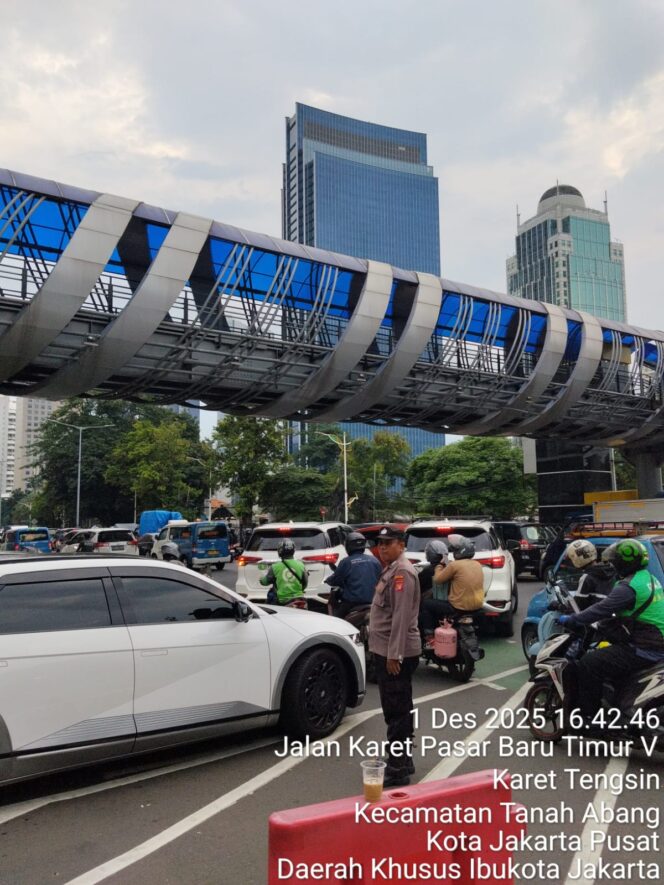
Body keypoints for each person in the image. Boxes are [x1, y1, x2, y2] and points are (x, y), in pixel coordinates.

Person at [558, 538, 664, 724]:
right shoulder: (650, 579)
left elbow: (600, 609)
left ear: (624, 563)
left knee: (589, 663)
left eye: (615, 561)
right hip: (654, 640)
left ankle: (589, 719)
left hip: (644, 647)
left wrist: (572, 619)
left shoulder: (628, 587)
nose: (613, 565)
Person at [369, 525, 421, 787]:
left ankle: (397, 768)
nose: (383, 547)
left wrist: (394, 654)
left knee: (396, 711)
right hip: (387, 648)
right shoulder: (391, 569)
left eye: (389, 543)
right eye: (380, 543)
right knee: (399, 707)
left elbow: (400, 617)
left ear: (401, 544)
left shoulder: (402, 572)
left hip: (394, 651)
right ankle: (405, 759)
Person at [419, 535, 484, 644]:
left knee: (426, 604)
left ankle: (429, 636)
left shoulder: (455, 565)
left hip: (457, 607)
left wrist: (440, 565)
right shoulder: (477, 564)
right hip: (477, 605)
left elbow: (438, 579)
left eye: (455, 550)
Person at [325, 532, 381, 619]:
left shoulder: (346, 562)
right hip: (375, 602)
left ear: (347, 546)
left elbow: (336, 579)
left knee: (337, 620)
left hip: (353, 603)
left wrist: (328, 580)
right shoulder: (375, 560)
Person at [564, 538, 616, 609]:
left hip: (595, 616)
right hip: (609, 614)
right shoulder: (610, 569)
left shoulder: (587, 577)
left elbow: (578, 604)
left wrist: (560, 606)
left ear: (576, 559)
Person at [259, 538, 307, 605]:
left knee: (271, 598)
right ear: (293, 550)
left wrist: (261, 580)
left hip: (282, 600)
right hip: (299, 598)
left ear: (280, 551)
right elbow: (305, 583)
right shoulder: (301, 565)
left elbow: (265, 582)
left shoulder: (275, 567)